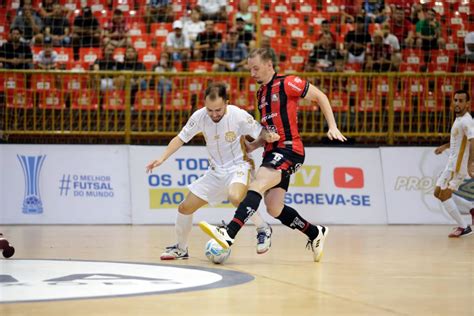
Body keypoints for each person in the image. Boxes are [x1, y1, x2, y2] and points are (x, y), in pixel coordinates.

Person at [198, 48, 346, 262]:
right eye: (250, 69)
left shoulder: (288, 83)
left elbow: (320, 96)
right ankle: (315, 233)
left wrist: (332, 126)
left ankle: (228, 234)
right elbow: (269, 129)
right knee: (274, 208)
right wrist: (255, 144)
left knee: (257, 184)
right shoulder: (261, 93)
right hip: (272, 151)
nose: (252, 73)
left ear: (269, 64)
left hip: (290, 149)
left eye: (256, 68)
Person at [145, 83, 279, 260]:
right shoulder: (199, 116)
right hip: (215, 172)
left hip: (239, 166)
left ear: (226, 103)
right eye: (210, 110)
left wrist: (268, 136)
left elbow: (259, 131)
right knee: (185, 208)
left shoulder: (237, 114)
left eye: (218, 110)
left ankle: (263, 228)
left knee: (235, 197)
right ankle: (181, 248)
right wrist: (162, 158)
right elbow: (180, 138)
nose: (214, 114)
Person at [434, 89, 474, 238]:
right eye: (455, 100)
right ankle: (471, 209)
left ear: (468, 104)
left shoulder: (466, 121)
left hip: (457, 167)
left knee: (444, 195)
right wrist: (444, 147)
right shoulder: (459, 119)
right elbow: (458, 141)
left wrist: (470, 164)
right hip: (451, 164)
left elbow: (472, 141)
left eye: (461, 101)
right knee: (437, 193)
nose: (457, 103)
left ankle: (464, 227)